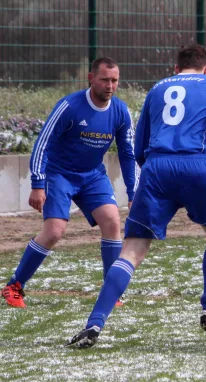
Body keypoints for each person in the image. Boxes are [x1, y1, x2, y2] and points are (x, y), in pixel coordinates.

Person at [66, 44, 206, 348]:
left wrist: (154, 172)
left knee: (132, 250)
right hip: (197, 165)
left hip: (156, 169)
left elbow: (139, 142)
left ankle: (94, 324)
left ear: (176, 69)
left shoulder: (158, 88)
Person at [1, 57, 136, 308]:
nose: (110, 85)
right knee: (54, 232)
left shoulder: (120, 111)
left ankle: (111, 292)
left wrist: (133, 191)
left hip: (93, 175)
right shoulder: (69, 106)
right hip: (59, 173)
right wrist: (38, 184)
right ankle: (14, 285)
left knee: (113, 221)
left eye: (115, 80)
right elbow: (43, 144)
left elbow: (128, 154)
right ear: (91, 78)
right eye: (105, 79)